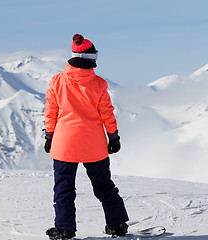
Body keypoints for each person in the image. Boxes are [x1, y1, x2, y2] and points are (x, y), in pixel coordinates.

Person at [44, 34, 129, 240]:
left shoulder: (57, 81)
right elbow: (107, 113)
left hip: (65, 144)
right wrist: (113, 137)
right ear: (90, 57)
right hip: (94, 145)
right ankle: (117, 224)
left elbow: (51, 110)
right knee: (104, 186)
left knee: (64, 189)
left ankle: (65, 229)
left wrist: (49, 135)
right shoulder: (99, 84)